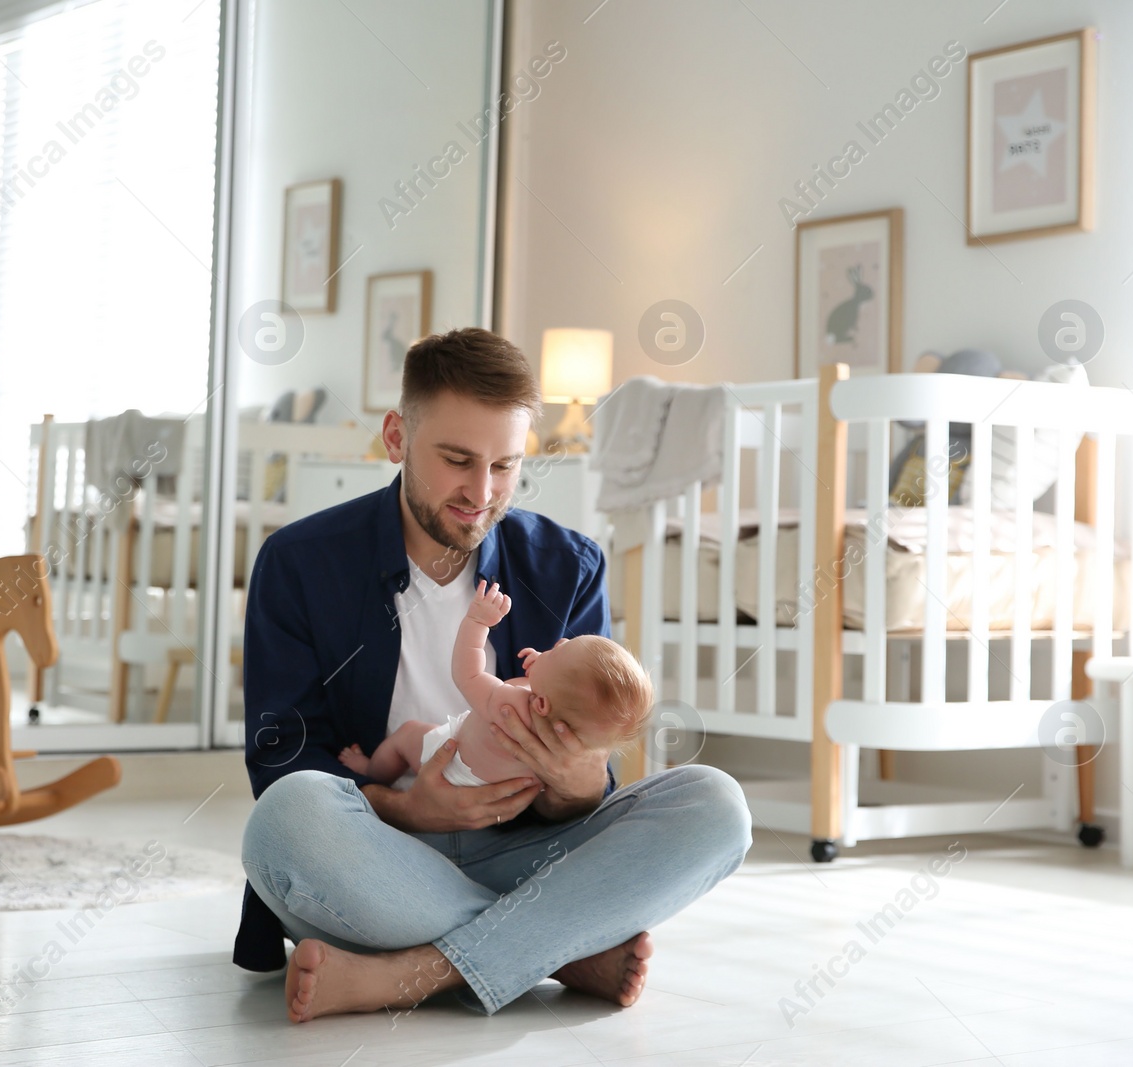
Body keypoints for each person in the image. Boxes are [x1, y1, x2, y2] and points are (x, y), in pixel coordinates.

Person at [236, 327, 751, 1023]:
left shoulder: (568, 565)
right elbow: (281, 760)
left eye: (504, 466)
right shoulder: (298, 562)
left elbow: (591, 785)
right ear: (395, 437)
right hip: (381, 857)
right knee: (285, 818)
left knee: (715, 803)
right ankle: (558, 949)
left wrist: (573, 781)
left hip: (525, 851)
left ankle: (409, 973)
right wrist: (407, 806)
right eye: (456, 459)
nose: (481, 493)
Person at [338, 579, 653, 791]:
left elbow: (468, 674)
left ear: (542, 703)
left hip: (451, 769)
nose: (559, 640)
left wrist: (477, 623)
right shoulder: (571, 738)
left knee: (408, 733)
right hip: (497, 792)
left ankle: (371, 774)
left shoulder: (511, 706)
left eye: (559, 650)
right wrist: (545, 668)